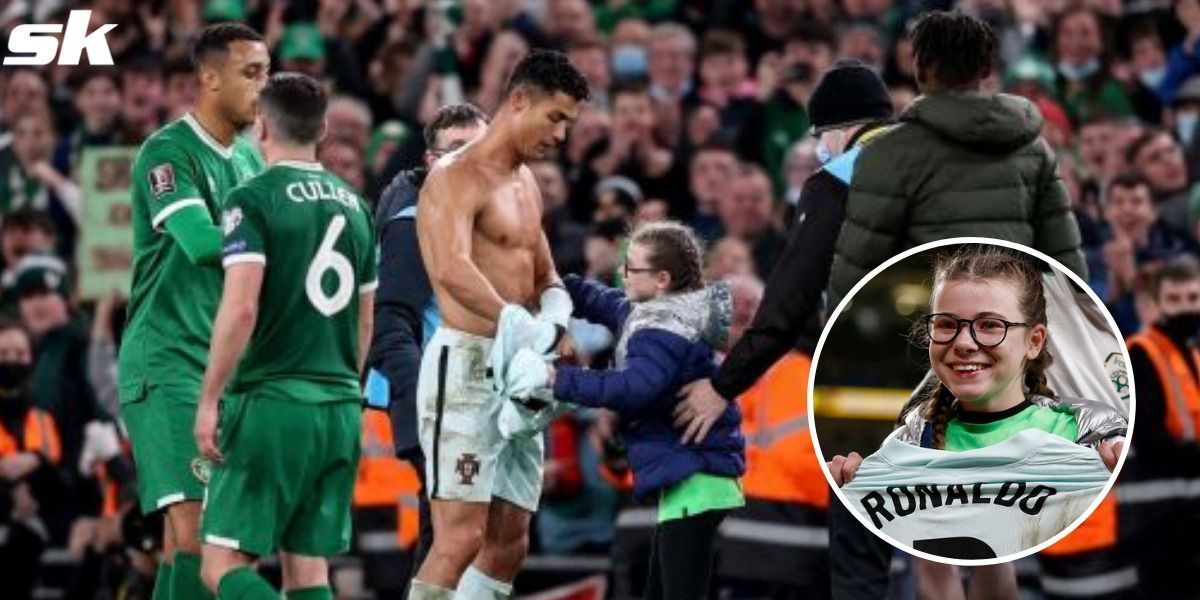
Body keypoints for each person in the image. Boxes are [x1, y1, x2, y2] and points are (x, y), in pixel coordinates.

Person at [828, 245, 1126, 581]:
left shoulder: (1092, 433)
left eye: (989, 325)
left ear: (1035, 340)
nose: (965, 342)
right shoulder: (908, 444)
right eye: (946, 325)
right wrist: (851, 503)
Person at [408, 49, 589, 599]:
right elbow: (450, 269)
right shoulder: (453, 177)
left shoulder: (525, 183)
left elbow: (543, 272)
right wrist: (520, 326)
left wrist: (555, 314)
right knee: (458, 539)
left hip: (519, 371)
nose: (561, 135)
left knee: (510, 542)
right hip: (464, 368)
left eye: (569, 124)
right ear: (518, 101)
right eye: (555, 117)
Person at [193, 72, 377, 599]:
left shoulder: (251, 199)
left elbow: (242, 305)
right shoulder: (356, 206)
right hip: (340, 406)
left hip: (272, 401)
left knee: (220, 564)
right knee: (308, 567)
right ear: (322, 128)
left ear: (261, 125)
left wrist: (209, 400)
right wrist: (342, 386)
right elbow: (367, 320)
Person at [504, 221, 743, 600]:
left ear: (661, 279)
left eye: (631, 269)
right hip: (690, 477)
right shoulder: (659, 313)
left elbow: (633, 389)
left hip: (696, 480)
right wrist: (556, 284)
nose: (622, 275)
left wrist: (558, 379)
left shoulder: (663, 330)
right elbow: (606, 302)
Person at [116, 22, 267, 600]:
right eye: (250, 73)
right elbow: (204, 245)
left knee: (194, 543)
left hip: (220, 365)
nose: (264, 85)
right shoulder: (168, 151)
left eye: (267, 72)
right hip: (167, 359)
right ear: (209, 79)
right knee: (201, 532)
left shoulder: (250, 163)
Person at [675, 59, 893, 445]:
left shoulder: (838, 178)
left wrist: (723, 386)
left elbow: (789, 302)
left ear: (836, 129)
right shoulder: (939, 166)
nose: (822, 151)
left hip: (871, 376)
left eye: (820, 139)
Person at [826, 10, 1086, 308]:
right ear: (987, 69)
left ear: (919, 69)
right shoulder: (1034, 150)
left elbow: (857, 267)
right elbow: (1066, 266)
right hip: (1011, 330)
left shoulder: (887, 154)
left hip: (921, 331)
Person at [365, 102, 488, 584]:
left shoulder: (479, 217)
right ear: (430, 161)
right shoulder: (414, 222)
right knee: (454, 541)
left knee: (462, 541)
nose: (468, 159)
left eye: (478, 147)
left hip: (472, 398)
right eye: (456, 149)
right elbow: (390, 324)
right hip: (438, 402)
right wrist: (425, 413)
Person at [1121, 255, 1200, 599]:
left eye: (1193, 298)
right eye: (1174, 299)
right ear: (1156, 304)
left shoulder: (1192, 356)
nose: (1185, 308)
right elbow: (1148, 433)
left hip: (1187, 504)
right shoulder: (1140, 353)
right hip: (1155, 511)